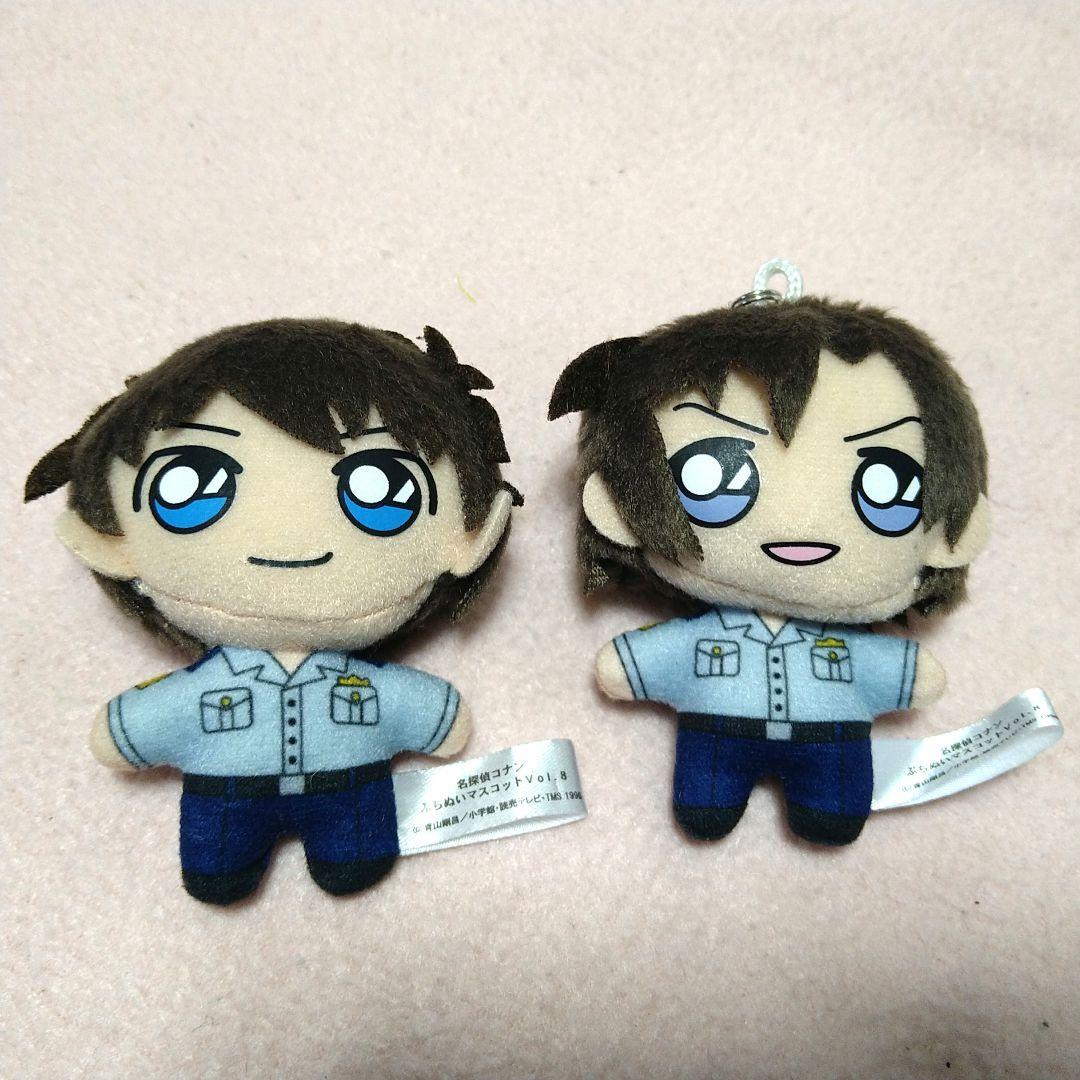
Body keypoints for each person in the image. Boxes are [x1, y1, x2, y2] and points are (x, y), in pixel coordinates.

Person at [25, 319, 521, 902]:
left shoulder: (360, 681)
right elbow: (139, 726)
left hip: (349, 795)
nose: (289, 539)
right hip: (228, 802)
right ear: (110, 538)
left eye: (381, 488)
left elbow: (431, 715)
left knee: (354, 860)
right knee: (220, 870)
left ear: (467, 537)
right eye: (188, 487)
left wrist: (436, 717)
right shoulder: (221, 686)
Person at [548, 289, 989, 845]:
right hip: (718, 740)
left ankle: (819, 808)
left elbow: (913, 678)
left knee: (828, 814)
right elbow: (632, 666)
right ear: (617, 507)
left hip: (827, 745)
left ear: (953, 535)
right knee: (706, 809)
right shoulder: (709, 635)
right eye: (711, 475)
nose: (802, 521)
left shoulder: (831, 646)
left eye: (885, 484)